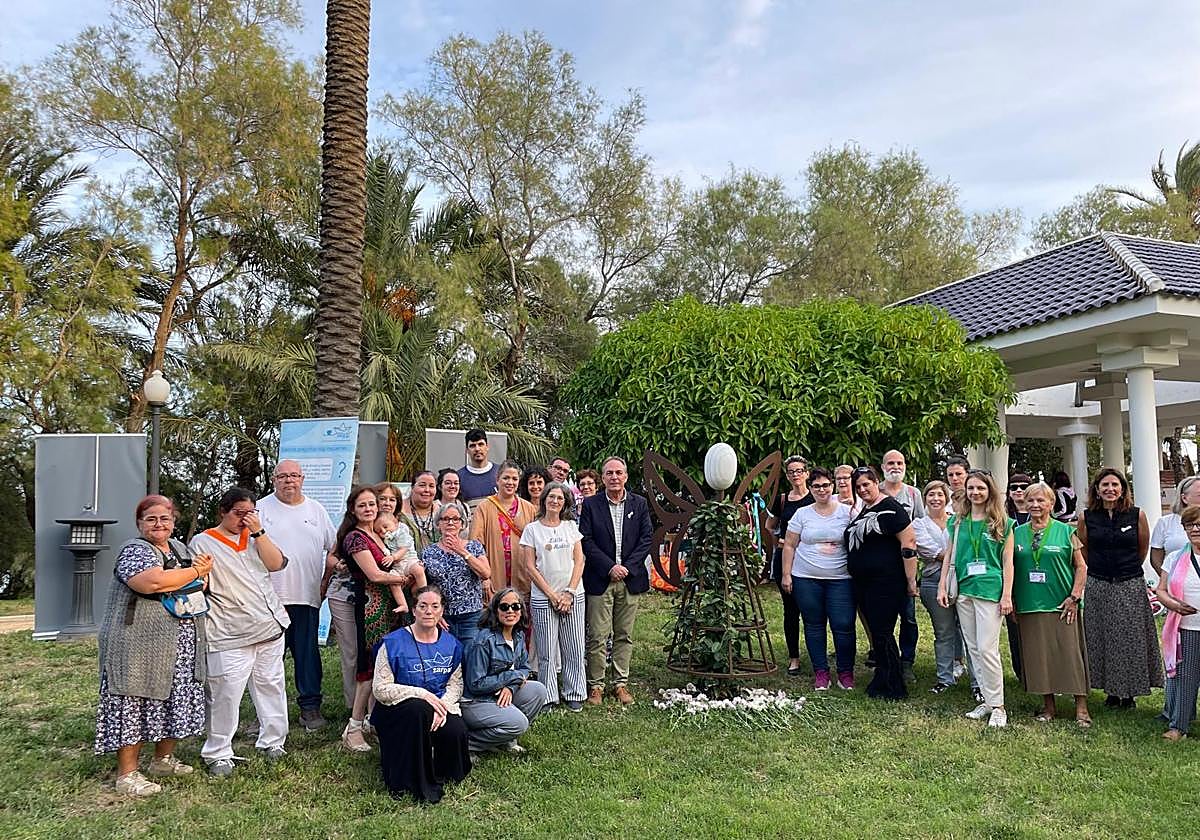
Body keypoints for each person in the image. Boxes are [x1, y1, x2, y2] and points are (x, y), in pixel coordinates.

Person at [94, 495, 212, 796]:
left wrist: (191, 578)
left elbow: (198, 586)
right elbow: (151, 583)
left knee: (175, 696)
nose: (159, 524)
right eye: (151, 519)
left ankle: (163, 759)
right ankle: (128, 775)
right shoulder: (134, 550)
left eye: (165, 518)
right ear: (139, 524)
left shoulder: (180, 549)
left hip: (180, 642)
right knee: (134, 700)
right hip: (137, 643)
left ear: (174, 523)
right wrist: (195, 573)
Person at [190, 487, 290, 775]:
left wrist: (258, 532)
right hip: (229, 631)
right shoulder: (203, 541)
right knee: (226, 693)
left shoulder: (257, 536)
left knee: (271, 685)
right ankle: (218, 752)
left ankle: (273, 740)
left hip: (269, 625)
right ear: (223, 512)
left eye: (250, 513)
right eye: (238, 514)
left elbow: (276, 564)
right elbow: (202, 581)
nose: (244, 519)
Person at [370, 586, 471, 802]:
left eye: (435, 606)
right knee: (418, 710)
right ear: (413, 610)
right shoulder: (392, 643)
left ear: (442, 611)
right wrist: (422, 695)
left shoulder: (452, 645)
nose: (428, 611)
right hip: (398, 709)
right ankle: (409, 780)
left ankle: (443, 771)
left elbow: (456, 685)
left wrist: (441, 707)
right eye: (422, 606)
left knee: (456, 730)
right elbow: (380, 689)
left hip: (438, 707)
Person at [258, 460, 337, 732]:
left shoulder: (316, 510)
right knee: (267, 659)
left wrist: (326, 580)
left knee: (307, 656)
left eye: (294, 475)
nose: (288, 480)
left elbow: (334, 549)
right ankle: (265, 714)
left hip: (306, 596)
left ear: (303, 479)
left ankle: (310, 708)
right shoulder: (260, 509)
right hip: (267, 600)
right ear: (273, 479)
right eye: (283, 476)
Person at [337, 486, 416, 753]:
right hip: (371, 607)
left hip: (388, 608)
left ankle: (374, 721)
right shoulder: (355, 538)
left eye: (372, 504)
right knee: (368, 668)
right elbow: (374, 575)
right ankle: (354, 727)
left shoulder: (377, 532)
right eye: (363, 505)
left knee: (385, 664)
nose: (369, 509)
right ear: (353, 510)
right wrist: (402, 579)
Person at [1077, 467, 1162, 708]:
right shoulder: (1086, 517)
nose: (1110, 489)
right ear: (1097, 489)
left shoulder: (1137, 515)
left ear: (1123, 489)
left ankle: (1130, 693)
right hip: (1098, 584)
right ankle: (1111, 692)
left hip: (1129, 583)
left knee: (1130, 638)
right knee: (1102, 637)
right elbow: (1084, 549)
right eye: (1105, 485)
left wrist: (1127, 569)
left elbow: (1142, 548)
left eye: (1115, 485)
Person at [938, 470, 1014, 728]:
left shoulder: (1003, 522)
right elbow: (949, 556)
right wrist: (941, 587)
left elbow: (1008, 562)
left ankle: (999, 706)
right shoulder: (958, 522)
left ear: (989, 490)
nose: (975, 493)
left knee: (987, 648)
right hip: (964, 590)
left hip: (990, 591)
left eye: (980, 488)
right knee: (972, 648)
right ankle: (986, 701)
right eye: (971, 489)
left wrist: (1006, 595)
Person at [1013, 482, 1090, 727]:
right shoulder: (1016, 533)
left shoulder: (1065, 531)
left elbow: (1081, 566)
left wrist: (1075, 596)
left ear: (1051, 504)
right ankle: (1048, 707)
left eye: (1041, 501)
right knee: (1039, 657)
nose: (1035, 505)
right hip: (1029, 603)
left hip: (1061, 603)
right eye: (1031, 501)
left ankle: (1081, 708)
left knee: (1070, 654)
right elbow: (1010, 567)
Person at [579, 456, 653, 705]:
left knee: (624, 635)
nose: (614, 477)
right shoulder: (590, 505)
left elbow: (646, 539)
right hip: (601, 578)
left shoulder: (640, 504)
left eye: (618, 472)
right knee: (598, 636)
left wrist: (626, 568)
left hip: (630, 580)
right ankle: (596, 686)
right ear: (603, 477)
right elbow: (586, 540)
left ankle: (620, 683)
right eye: (609, 473)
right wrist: (610, 567)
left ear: (626, 476)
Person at [844, 466, 917, 700]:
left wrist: (910, 580)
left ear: (877, 482)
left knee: (883, 631)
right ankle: (884, 674)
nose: (863, 489)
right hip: (863, 583)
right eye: (858, 487)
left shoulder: (891, 508)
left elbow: (909, 543)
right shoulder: (866, 508)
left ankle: (892, 684)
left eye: (867, 484)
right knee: (877, 632)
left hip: (886, 582)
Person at [780, 467, 854, 690]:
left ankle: (845, 672)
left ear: (832, 486)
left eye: (825, 485)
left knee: (844, 625)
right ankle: (821, 672)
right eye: (816, 486)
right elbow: (789, 544)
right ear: (810, 489)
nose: (821, 490)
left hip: (841, 578)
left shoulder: (847, 512)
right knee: (813, 625)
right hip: (806, 578)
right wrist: (786, 574)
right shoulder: (802, 514)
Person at [521, 482, 586, 710]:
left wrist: (568, 592)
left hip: (573, 595)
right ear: (544, 499)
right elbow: (530, 567)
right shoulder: (532, 529)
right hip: (543, 597)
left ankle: (575, 692)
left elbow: (579, 560)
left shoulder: (570, 527)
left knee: (574, 646)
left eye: (560, 498)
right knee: (546, 650)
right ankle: (547, 696)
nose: (555, 501)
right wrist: (551, 595)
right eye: (551, 497)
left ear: (565, 503)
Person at [461, 588, 550, 754]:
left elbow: (524, 668)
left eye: (515, 607)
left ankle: (505, 738)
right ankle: (467, 745)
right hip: (476, 701)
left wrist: (510, 687)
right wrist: (511, 677)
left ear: (521, 611)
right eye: (504, 607)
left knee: (538, 690)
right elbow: (475, 684)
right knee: (519, 724)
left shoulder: (518, 636)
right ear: (495, 610)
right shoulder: (483, 641)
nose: (510, 611)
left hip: (498, 694)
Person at [914, 480, 971, 694]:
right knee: (944, 631)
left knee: (968, 632)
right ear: (925, 498)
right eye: (931, 495)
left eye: (939, 494)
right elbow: (929, 551)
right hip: (933, 580)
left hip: (963, 579)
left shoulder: (958, 521)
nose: (935, 498)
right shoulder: (918, 524)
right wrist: (952, 555)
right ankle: (944, 679)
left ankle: (977, 683)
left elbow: (965, 547)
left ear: (946, 498)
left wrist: (951, 556)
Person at [767, 455, 813, 677]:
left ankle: (816, 654)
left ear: (807, 473)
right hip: (785, 559)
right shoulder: (783, 499)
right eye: (791, 471)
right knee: (791, 610)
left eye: (799, 470)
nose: (796, 474)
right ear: (787, 476)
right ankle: (793, 657)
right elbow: (770, 525)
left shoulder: (816, 496)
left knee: (812, 609)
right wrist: (780, 543)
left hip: (810, 559)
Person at [1157, 505, 1200, 741]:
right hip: (1186, 627)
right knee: (1185, 678)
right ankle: (1178, 726)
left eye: (1199, 524)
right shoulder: (1174, 558)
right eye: (1190, 525)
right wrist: (1173, 605)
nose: (1195, 529)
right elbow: (1161, 590)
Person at [420, 504, 491, 645]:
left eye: (455, 519)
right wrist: (435, 614)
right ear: (438, 524)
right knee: (445, 662)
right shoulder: (428, 552)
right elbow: (424, 587)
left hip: (471, 618)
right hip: (441, 617)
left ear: (462, 524)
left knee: (471, 660)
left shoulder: (474, 547)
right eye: (445, 519)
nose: (450, 522)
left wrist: (461, 551)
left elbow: (485, 573)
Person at [881, 450, 922, 683]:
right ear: (883, 466)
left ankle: (907, 663)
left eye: (899, 463)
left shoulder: (913, 494)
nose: (895, 466)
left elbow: (919, 526)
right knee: (884, 617)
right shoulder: (875, 490)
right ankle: (887, 660)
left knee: (909, 618)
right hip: (882, 564)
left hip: (906, 562)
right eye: (890, 463)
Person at [469, 460, 538, 594]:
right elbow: (475, 545)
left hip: (522, 575)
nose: (510, 482)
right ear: (497, 480)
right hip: (494, 574)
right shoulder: (484, 507)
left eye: (514, 479)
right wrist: (484, 577)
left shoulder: (528, 508)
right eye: (506, 478)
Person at [373, 510, 427, 615]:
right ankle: (402, 604)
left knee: (419, 570)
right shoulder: (384, 539)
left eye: (385, 527)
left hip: (409, 560)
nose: (383, 531)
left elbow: (403, 549)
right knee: (393, 583)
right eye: (379, 531)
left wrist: (393, 557)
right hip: (398, 567)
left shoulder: (401, 533)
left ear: (396, 524)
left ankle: (424, 594)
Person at [1149, 476, 1200, 578]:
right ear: (1184, 498)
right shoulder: (1165, 523)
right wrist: (1169, 580)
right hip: (1175, 586)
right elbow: (1155, 557)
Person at [457, 428, 499, 505]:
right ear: (467, 450)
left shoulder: (501, 473)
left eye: (480, 444)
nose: (477, 449)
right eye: (472, 446)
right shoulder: (458, 477)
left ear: (487, 446)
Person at [401, 472, 440, 551]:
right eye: (422, 485)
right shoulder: (398, 510)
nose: (427, 490)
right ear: (412, 487)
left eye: (431, 486)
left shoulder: (441, 511)